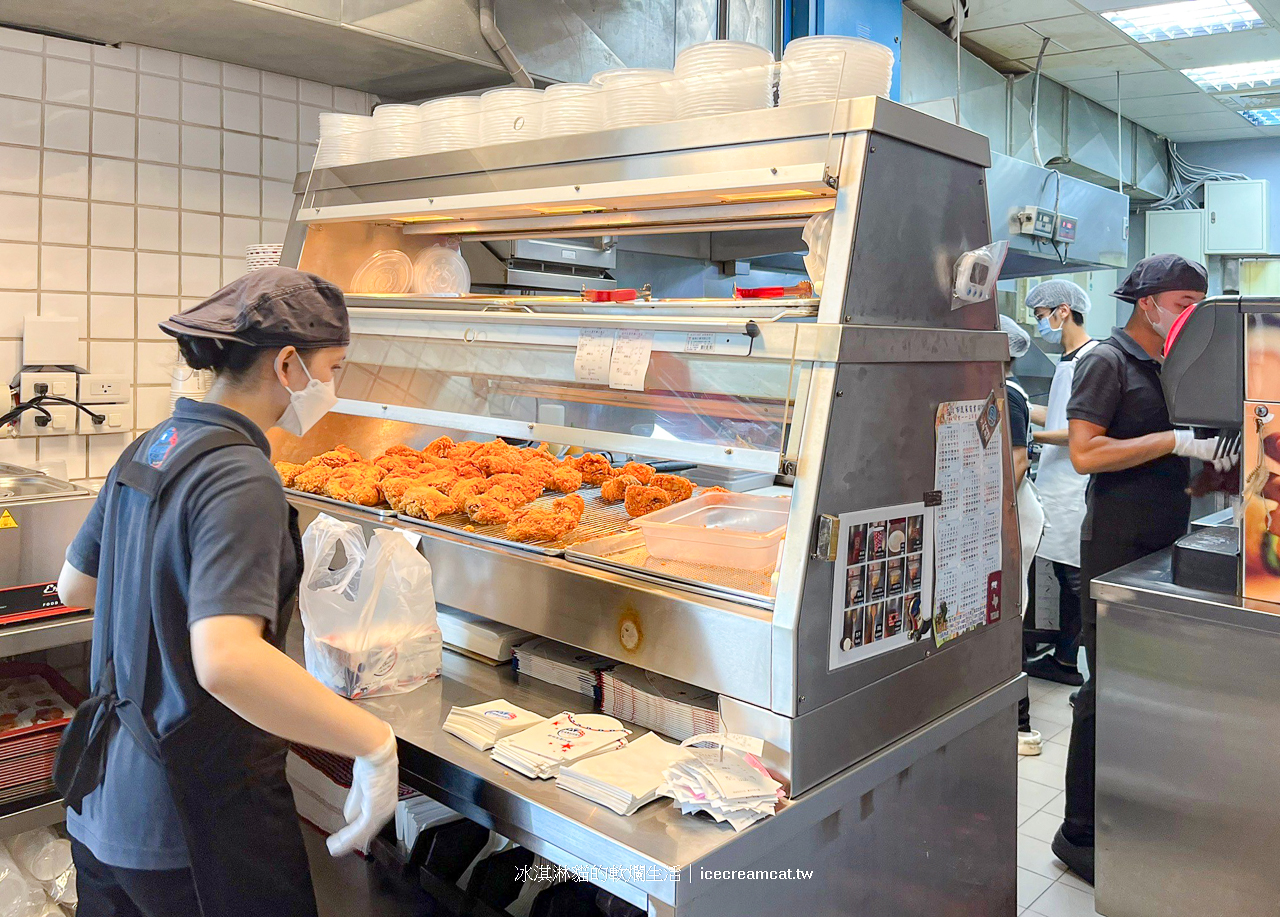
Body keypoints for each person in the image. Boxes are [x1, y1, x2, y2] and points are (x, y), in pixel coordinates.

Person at [54, 268, 401, 917]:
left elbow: (76, 584)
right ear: (291, 364)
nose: (335, 385)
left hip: (101, 802)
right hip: (189, 821)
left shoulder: (150, 445)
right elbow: (228, 660)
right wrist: (372, 741)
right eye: (336, 367)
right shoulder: (243, 475)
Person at [1052, 254, 1237, 884]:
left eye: (1196, 308)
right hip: (1116, 545)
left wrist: (1221, 460)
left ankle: (1127, 813)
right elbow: (1084, 452)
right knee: (1104, 691)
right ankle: (1077, 834)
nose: (1188, 317)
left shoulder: (1172, 367)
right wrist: (1176, 440)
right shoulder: (1107, 362)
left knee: (1144, 690)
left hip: (1163, 540)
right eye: (1182, 305)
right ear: (1147, 303)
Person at [1025, 280, 1097, 687]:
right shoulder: (1068, 361)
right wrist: (1012, 402)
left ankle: (1085, 670)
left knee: (1075, 580)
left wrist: (1025, 436)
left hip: (1073, 486)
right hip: (1055, 482)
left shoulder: (1091, 359)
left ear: (1063, 311)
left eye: (1041, 316)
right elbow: (1055, 417)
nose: (1040, 325)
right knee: (1066, 578)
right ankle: (1065, 661)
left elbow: (1076, 431)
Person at [1000, 315, 1045, 756]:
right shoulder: (1011, 393)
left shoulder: (1008, 395)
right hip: (1013, 512)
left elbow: (1017, 462)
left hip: (1015, 514)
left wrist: (991, 516)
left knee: (1011, 613)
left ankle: (1020, 724)